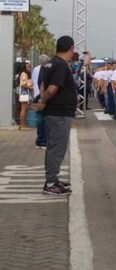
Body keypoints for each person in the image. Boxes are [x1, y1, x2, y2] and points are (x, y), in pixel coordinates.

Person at [33, 36, 77, 196]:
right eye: (73, 50)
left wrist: (43, 101)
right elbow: (52, 88)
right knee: (57, 148)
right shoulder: (61, 65)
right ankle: (50, 183)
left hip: (55, 111)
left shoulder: (49, 63)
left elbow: (43, 84)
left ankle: (53, 179)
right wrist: (43, 100)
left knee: (54, 147)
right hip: (59, 112)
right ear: (71, 48)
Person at [32, 54, 50, 148]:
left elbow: (34, 82)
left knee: (39, 120)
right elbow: (42, 84)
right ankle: (44, 141)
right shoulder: (46, 69)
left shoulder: (35, 69)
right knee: (45, 120)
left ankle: (39, 141)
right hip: (42, 97)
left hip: (35, 95)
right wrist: (42, 99)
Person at [16, 62, 33, 130]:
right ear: (24, 68)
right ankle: (23, 125)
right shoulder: (24, 74)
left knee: (25, 109)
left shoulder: (24, 74)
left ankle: (23, 125)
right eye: (28, 67)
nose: (30, 68)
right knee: (23, 109)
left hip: (24, 93)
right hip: (24, 93)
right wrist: (30, 88)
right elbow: (23, 84)